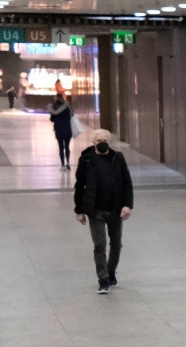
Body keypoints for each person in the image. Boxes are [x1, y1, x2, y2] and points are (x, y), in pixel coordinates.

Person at [74, 128, 133, 294]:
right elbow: (79, 185)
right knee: (99, 245)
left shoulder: (117, 158)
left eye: (105, 141)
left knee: (116, 244)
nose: (102, 144)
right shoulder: (86, 160)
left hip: (115, 209)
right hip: (95, 210)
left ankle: (110, 271)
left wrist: (127, 205)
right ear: (93, 142)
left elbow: (127, 183)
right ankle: (103, 279)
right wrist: (79, 210)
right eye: (99, 141)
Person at [49, 87, 75, 171]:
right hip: (67, 128)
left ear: (56, 98)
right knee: (67, 146)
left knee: (61, 147)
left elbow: (52, 119)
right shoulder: (67, 106)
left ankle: (63, 165)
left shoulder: (54, 107)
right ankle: (68, 163)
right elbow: (71, 115)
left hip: (59, 129)